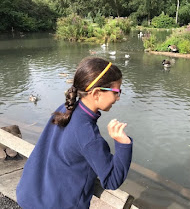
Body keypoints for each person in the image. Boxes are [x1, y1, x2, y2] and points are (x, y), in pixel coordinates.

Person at [16, 57, 133, 209]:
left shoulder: (65, 109)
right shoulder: (89, 136)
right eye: (117, 92)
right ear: (96, 93)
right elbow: (111, 180)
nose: (118, 98)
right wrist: (124, 144)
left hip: (30, 194)